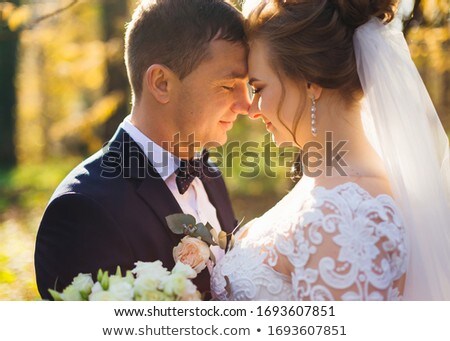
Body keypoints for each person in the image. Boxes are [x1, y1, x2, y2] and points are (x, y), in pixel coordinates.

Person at [211, 0, 450, 300]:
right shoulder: (329, 186)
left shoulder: (344, 215)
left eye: (259, 88)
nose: (253, 109)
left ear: (311, 83)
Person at [35, 0, 251, 300]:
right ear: (161, 83)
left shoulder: (209, 173)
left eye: (248, 86)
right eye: (228, 86)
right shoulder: (82, 210)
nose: (246, 105)